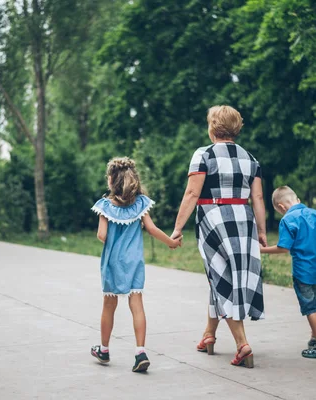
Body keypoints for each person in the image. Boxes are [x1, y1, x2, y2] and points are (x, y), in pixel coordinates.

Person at [171, 105, 267, 368]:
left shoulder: (203, 155)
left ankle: (242, 344)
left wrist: (178, 227)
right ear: (237, 128)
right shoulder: (251, 159)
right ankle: (208, 335)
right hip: (243, 221)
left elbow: (192, 194)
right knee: (228, 277)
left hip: (213, 219)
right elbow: (257, 197)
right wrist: (261, 231)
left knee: (220, 277)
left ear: (212, 127)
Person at [90, 157, 183, 373]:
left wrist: (110, 234)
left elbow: (101, 235)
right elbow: (151, 229)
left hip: (112, 263)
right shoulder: (141, 203)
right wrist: (171, 242)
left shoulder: (104, 206)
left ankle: (103, 349)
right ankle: (140, 351)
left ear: (112, 181)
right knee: (137, 303)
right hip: (134, 262)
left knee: (109, 305)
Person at [260, 186, 316, 359]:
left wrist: (261, 250)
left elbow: (283, 248)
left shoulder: (288, 220)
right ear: (297, 200)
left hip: (302, 271)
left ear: (281, 207)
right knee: (315, 303)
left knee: (309, 307)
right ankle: (314, 337)